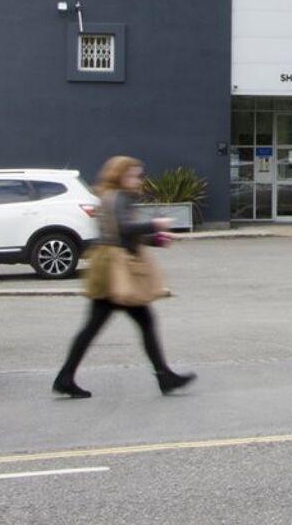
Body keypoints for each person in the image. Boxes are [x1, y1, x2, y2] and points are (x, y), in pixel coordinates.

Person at [52, 156, 195, 398]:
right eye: (133, 175)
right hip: (115, 271)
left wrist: (156, 240)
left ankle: (66, 377)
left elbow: (120, 233)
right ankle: (164, 376)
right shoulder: (118, 198)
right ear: (119, 176)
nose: (139, 180)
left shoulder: (111, 197)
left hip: (110, 267)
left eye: (140, 175)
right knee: (138, 322)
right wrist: (156, 225)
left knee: (100, 326)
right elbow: (124, 229)